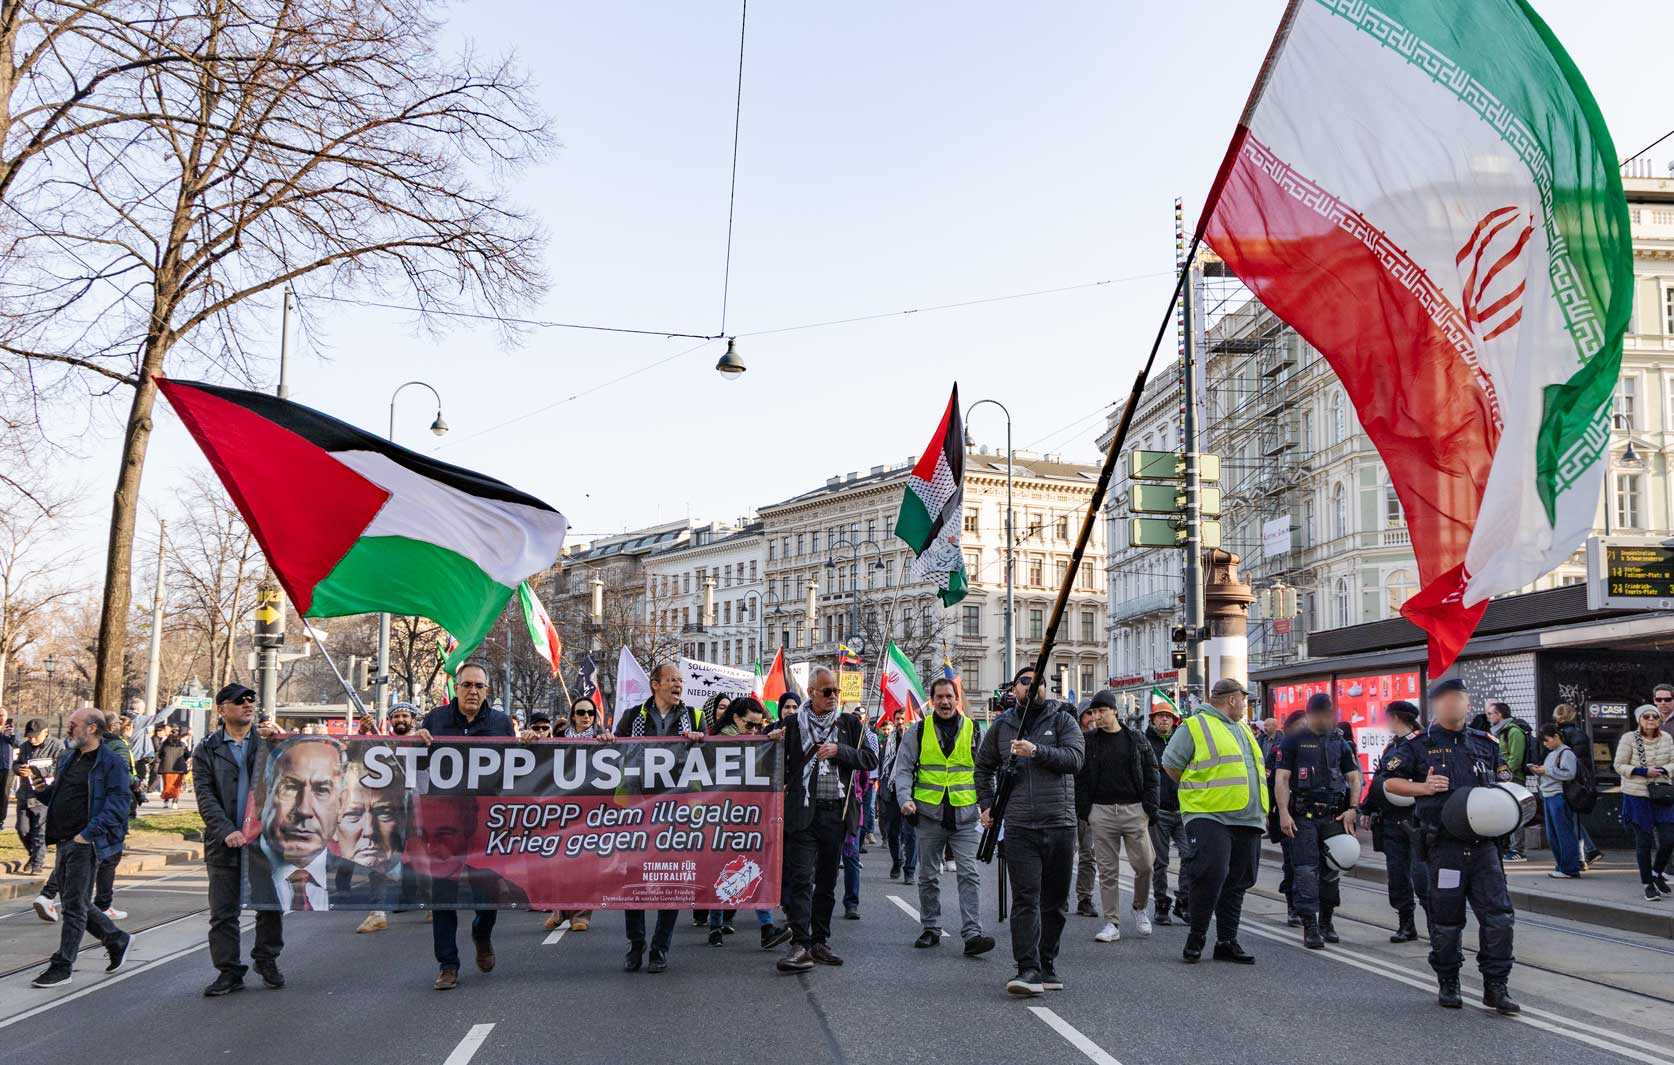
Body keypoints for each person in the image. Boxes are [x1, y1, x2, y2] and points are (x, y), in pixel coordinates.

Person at [1384, 677, 1519, 1014]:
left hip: (1485, 847)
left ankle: (1496, 986)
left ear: (1468, 704)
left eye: (1458, 698)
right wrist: (1423, 788)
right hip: (1445, 847)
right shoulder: (1418, 744)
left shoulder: (1486, 743)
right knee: (1446, 920)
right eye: (1445, 699)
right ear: (1435, 705)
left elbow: (1505, 783)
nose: (1453, 704)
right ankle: (1448, 981)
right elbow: (1390, 782)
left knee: (1499, 918)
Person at [974, 668, 1084, 997]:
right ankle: (1027, 967)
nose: (1031, 686)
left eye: (1038, 682)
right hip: (1020, 825)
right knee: (1025, 898)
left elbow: (1075, 759)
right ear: (1014, 690)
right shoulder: (1002, 726)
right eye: (1024, 681)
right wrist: (987, 804)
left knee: (1055, 901)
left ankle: (1047, 962)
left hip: (1059, 823)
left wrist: (1036, 751)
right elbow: (983, 767)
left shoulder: (1063, 721)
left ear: (1047, 689)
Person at [410, 662, 518, 989]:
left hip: (484, 823)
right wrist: (416, 742)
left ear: (487, 691)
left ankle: (481, 934)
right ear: (456, 688)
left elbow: (517, 767)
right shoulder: (436, 719)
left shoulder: (500, 723)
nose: (473, 691)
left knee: (487, 894)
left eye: (479, 686)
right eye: (467, 685)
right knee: (442, 895)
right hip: (443, 822)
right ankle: (448, 965)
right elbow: (418, 764)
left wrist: (529, 743)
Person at [604, 662, 706, 974]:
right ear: (655, 684)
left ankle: (660, 948)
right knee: (633, 877)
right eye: (672, 679)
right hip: (637, 807)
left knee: (671, 879)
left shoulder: (695, 717)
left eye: (680, 680)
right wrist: (607, 741)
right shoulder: (632, 717)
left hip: (677, 809)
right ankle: (636, 944)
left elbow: (712, 757)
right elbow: (615, 754)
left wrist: (702, 740)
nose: (678, 685)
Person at [776, 667, 877, 973]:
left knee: (827, 881)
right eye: (827, 691)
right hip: (803, 813)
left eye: (836, 691)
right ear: (811, 693)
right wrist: (772, 739)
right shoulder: (792, 724)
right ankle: (800, 944)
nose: (834, 696)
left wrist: (839, 751)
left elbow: (871, 758)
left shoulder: (849, 724)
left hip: (836, 813)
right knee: (801, 879)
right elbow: (773, 759)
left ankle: (820, 941)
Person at [1161, 677, 1268, 966]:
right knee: (1210, 875)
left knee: (1238, 881)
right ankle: (1196, 938)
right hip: (1209, 814)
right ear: (1232, 699)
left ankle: (1226, 941)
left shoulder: (1243, 729)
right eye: (1243, 699)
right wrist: (1199, 791)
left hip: (1248, 817)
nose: (1246, 704)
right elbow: (1171, 764)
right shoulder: (1195, 725)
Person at [22, 709, 132, 988]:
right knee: (77, 903)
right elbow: (60, 795)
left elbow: (118, 805)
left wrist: (88, 835)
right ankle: (116, 939)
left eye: (74, 725)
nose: (69, 729)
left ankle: (63, 966)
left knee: (73, 908)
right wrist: (42, 790)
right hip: (64, 839)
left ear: (92, 728)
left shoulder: (111, 763)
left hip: (85, 842)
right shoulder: (69, 757)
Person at [193, 683, 285, 995]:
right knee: (223, 912)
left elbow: (291, 779)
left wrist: (280, 741)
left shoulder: (268, 744)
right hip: (224, 844)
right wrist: (226, 830)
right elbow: (205, 796)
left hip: (264, 842)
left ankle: (266, 959)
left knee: (270, 905)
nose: (248, 705)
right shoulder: (207, 749)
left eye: (250, 700)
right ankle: (229, 971)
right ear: (222, 710)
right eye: (239, 701)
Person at [891, 676, 994, 956]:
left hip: (965, 816)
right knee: (928, 875)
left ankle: (973, 934)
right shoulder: (918, 731)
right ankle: (931, 928)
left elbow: (985, 772)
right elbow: (903, 769)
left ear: (957, 700)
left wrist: (988, 806)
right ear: (932, 701)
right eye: (940, 697)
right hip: (928, 815)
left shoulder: (973, 730)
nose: (945, 702)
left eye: (949, 697)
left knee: (969, 874)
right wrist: (905, 799)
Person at [1275, 692, 1361, 950]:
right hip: (1304, 815)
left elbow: (1354, 778)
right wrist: (1283, 812)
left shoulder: (1339, 741)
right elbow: (1282, 779)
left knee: (1332, 870)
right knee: (1305, 870)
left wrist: (1353, 808)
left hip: (1334, 814)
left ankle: (1327, 920)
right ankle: (1310, 924)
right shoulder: (1294, 741)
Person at [706, 697, 791, 948]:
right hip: (722, 817)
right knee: (722, 870)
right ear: (735, 718)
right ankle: (716, 925)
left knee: (755, 868)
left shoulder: (757, 742)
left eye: (758, 725)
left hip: (750, 817)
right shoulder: (716, 742)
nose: (754, 730)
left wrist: (769, 742)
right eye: (750, 725)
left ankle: (766, 928)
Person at [1076, 689, 1158, 944]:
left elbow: (1151, 771)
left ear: (1114, 711)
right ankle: (1112, 922)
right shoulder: (1089, 741)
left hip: (1134, 810)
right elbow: (1080, 777)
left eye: (1101, 711)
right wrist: (1086, 811)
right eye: (1093, 712)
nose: (1097, 717)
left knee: (1145, 865)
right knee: (1107, 871)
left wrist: (1149, 807)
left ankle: (1139, 907)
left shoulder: (1135, 738)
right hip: (1101, 812)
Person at [1362, 701, 1428, 942]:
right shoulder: (1393, 745)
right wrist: (1368, 808)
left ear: (1396, 717)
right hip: (1391, 820)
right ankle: (1406, 924)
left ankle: (1437, 928)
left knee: (1422, 877)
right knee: (1397, 876)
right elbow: (1381, 778)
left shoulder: (1421, 744)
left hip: (1416, 819)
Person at [1615, 705, 1674, 901]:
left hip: (1662, 794)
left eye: (1654, 716)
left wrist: (1664, 770)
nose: (1651, 719)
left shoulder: (1667, 738)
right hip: (1637, 796)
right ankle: (1647, 884)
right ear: (1639, 719)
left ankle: (1656, 873)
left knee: (1669, 839)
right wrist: (1643, 771)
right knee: (1644, 842)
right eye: (1646, 716)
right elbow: (1619, 765)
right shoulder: (1629, 738)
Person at [1145, 701, 1188, 926]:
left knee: (1189, 856)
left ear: (1174, 721)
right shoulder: (1145, 743)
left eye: (1168, 717)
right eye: (1160, 716)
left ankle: (1184, 901)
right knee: (1160, 862)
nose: (1164, 719)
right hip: (1159, 811)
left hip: (1183, 810)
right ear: (1152, 719)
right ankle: (1161, 904)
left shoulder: (1181, 742)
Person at [1528, 723, 1582, 879]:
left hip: (1559, 795)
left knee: (1563, 833)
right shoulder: (1552, 754)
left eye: (1547, 740)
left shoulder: (1566, 753)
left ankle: (1569, 868)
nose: (1545, 744)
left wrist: (1546, 770)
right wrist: (1540, 771)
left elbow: (1569, 774)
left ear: (1556, 736)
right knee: (1554, 835)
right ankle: (1562, 866)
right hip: (1549, 795)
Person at [1552, 702, 1602, 866]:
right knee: (1573, 819)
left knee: (1571, 819)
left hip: (1570, 782)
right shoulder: (1579, 734)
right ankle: (1588, 851)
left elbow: (1567, 760)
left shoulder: (1562, 735)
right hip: (1580, 782)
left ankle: (1585, 853)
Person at [15, 717, 63, 876]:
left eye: (36, 736)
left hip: (44, 795)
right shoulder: (24, 746)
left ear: (45, 732)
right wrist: (19, 769)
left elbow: (59, 767)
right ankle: (33, 855)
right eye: (29, 736)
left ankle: (37, 863)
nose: (32, 739)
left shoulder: (57, 746)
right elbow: (16, 763)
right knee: (22, 829)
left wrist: (36, 770)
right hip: (25, 794)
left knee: (40, 831)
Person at [1486, 702, 1530, 861]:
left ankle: (1518, 849)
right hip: (1502, 780)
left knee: (1516, 812)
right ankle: (1507, 846)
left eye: (1490, 713)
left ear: (1499, 715)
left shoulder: (1513, 732)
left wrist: (1503, 776)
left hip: (1514, 780)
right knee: (1506, 814)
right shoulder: (1498, 732)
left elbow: (1515, 759)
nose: (1488, 717)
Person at [1073, 705, 1099, 918]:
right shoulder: (1071, 737)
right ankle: (1058, 897)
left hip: (1091, 806)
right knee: (1065, 853)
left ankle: (1085, 898)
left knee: (1089, 854)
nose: (1093, 717)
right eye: (1089, 713)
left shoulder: (1101, 740)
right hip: (1068, 804)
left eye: (1096, 713)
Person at [157, 724, 192, 809]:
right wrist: (182, 760)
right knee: (176, 786)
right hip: (179, 768)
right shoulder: (182, 744)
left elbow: (160, 755)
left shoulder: (165, 744)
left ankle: (166, 801)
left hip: (166, 767)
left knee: (167, 785)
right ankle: (175, 802)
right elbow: (187, 755)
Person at [0, 706, 15, 824]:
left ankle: (1, 820)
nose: (1, 718)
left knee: (4, 795)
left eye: (3, 715)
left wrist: (12, 735)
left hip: (7, 767)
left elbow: (19, 743)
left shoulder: (11, 730)